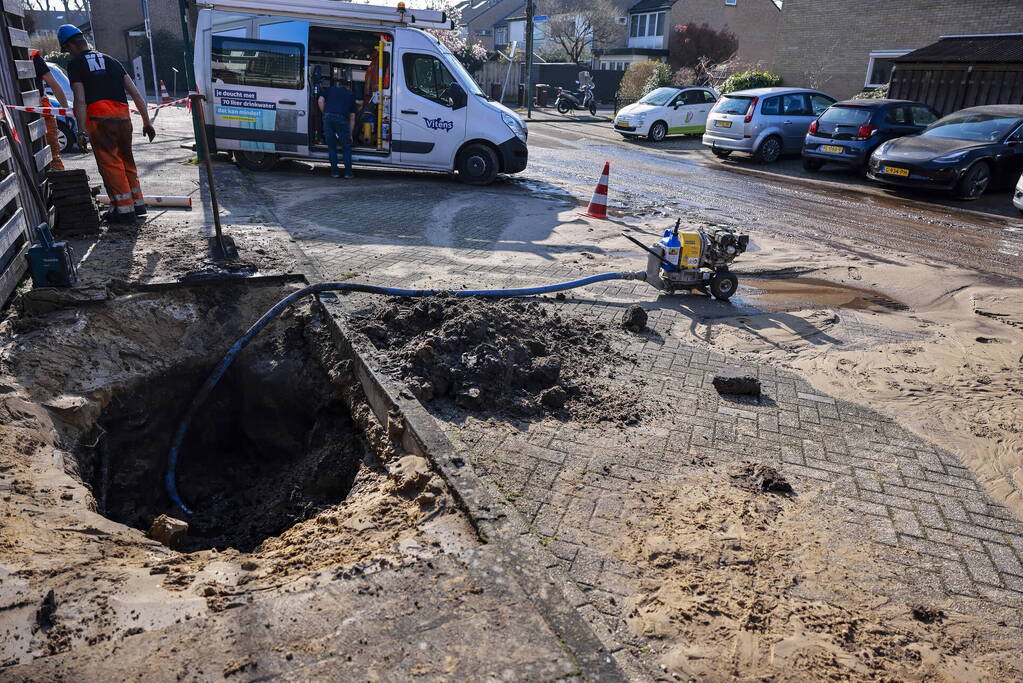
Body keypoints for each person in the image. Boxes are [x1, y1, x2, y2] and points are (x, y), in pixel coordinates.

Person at [58, 24, 155, 225]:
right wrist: (147, 122)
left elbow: (80, 100)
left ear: (70, 46)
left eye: (67, 49)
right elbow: (136, 94)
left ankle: (124, 211)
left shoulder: (75, 64)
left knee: (112, 165)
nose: (69, 53)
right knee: (127, 161)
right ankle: (137, 205)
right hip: (123, 119)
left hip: (99, 121)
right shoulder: (112, 61)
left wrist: (81, 131)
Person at [30, 49, 69, 170]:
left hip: (40, 109)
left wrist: (65, 110)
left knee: (51, 153)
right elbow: (53, 84)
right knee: (53, 154)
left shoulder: (33, 58)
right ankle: (57, 171)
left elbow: (54, 85)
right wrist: (66, 110)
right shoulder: (34, 57)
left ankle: (56, 171)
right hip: (40, 108)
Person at [318, 78, 356, 179]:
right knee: (346, 147)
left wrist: (325, 114)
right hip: (342, 119)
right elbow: (352, 118)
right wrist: (350, 134)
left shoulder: (330, 89)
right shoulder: (350, 95)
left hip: (328, 118)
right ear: (348, 87)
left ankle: (335, 172)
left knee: (331, 147)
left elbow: (320, 100)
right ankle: (348, 173)